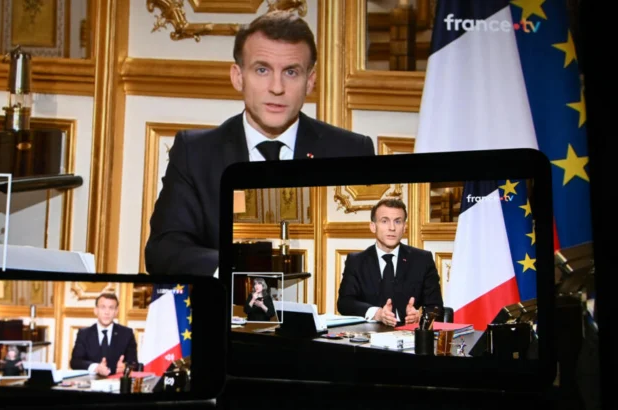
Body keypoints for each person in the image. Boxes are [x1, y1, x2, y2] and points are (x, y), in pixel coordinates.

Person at [145, 10, 375, 276]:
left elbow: (367, 250)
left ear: (310, 81)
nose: (276, 87)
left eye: (291, 72)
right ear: (238, 77)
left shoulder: (351, 151)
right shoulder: (195, 153)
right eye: (262, 70)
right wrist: (239, 268)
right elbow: (164, 250)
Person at [337, 199, 444, 327]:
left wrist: (420, 316)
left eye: (398, 221)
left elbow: (436, 308)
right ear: (373, 227)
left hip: (408, 334)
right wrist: (377, 313)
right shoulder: (356, 261)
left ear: (404, 227)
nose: (392, 228)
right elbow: (345, 303)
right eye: (384, 221)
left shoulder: (422, 260)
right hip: (369, 334)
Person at [70, 293, 138, 376]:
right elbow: (75, 362)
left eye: (111, 308)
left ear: (116, 312)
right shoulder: (84, 334)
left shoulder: (126, 333)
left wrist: (125, 367)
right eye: (103, 307)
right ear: (96, 310)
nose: (107, 312)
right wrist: (96, 367)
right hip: (91, 381)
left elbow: (134, 364)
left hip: (116, 381)